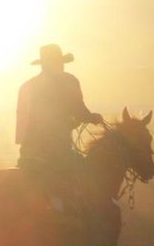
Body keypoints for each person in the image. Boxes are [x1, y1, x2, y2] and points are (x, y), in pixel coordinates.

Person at [16, 44, 103, 210]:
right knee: (84, 174)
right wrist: (91, 117)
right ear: (58, 62)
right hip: (58, 148)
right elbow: (78, 109)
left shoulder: (27, 86)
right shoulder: (68, 81)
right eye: (60, 62)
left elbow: (22, 121)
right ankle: (71, 210)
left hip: (28, 150)